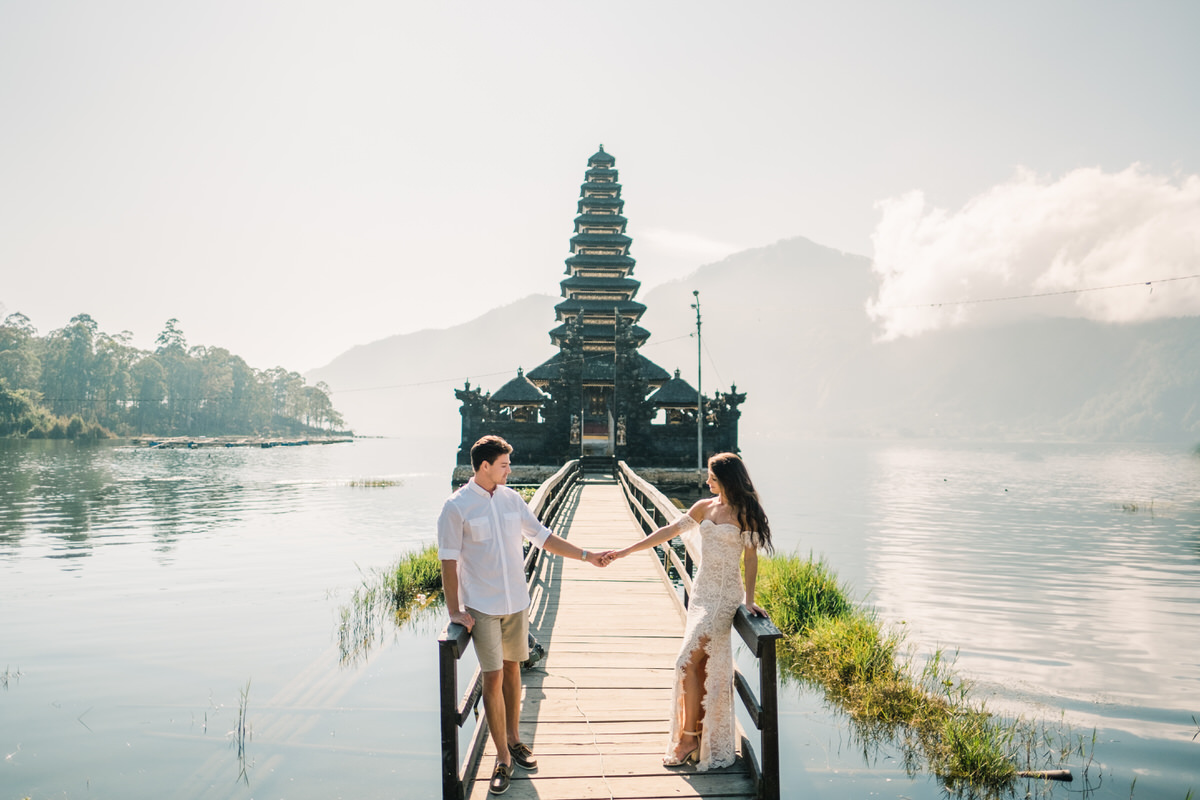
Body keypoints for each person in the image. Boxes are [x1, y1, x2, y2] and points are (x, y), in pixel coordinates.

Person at [438, 435, 611, 795]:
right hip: (482, 606)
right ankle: (501, 757)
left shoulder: (512, 499)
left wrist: (587, 555)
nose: (509, 470)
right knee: (493, 676)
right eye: (504, 465)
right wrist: (454, 610)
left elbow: (543, 537)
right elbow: (449, 561)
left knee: (515, 668)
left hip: (516, 601)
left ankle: (515, 738)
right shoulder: (456, 507)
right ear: (484, 466)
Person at [603, 452, 773, 770]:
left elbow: (750, 559)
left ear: (726, 478)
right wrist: (627, 550)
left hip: (724, 596)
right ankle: (694, 735)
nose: (706, 480)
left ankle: (689, 739)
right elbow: (668, 532)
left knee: (685, 661)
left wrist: (748, 601)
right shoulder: (703, 507)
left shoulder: (746, 511)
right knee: (695, 665)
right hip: (700, 593)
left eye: (711, 476)